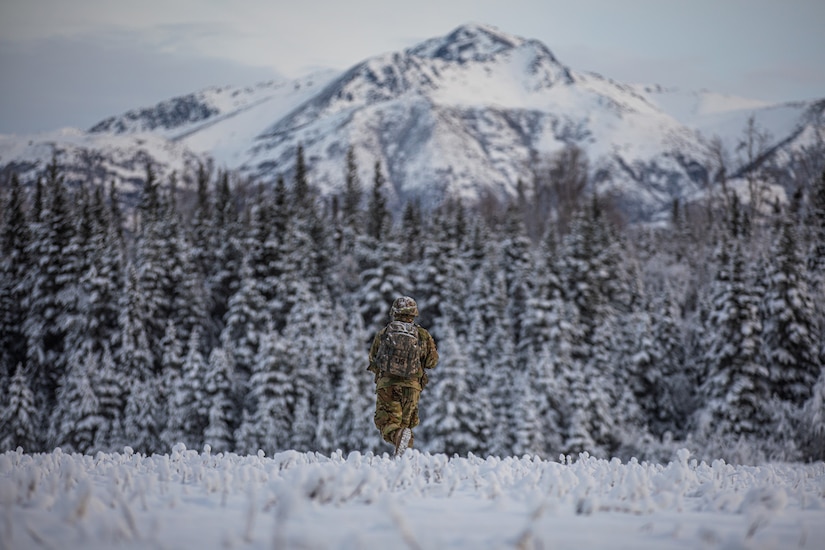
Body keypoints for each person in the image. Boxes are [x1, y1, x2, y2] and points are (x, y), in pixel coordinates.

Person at [367, 296, 438, 456]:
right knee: (406, 427)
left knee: (388, 422)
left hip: (388, 386)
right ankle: (404, 461)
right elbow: (432, 362)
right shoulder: (422, 335)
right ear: (414, 314)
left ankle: (398, 443)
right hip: (412, 388)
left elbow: (373, 360)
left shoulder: (384, 333)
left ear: (394, 312)